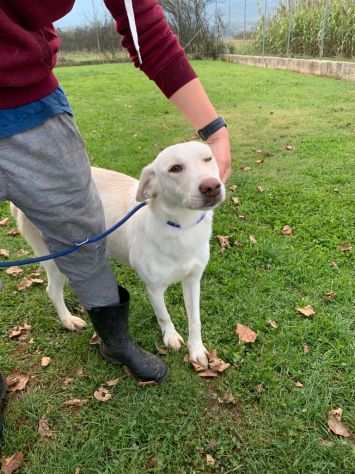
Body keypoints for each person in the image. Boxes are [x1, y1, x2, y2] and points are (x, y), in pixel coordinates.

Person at [0, 0, 231, 383]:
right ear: (151, 186)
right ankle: (62, 306)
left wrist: (215, 129)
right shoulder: (150, 197)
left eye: (205, 163)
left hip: (33, 104)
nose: (206, 179)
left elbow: (143, 21)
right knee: (57, 260)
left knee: (80, 241)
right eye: (177, 169)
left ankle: (114, 337)